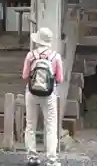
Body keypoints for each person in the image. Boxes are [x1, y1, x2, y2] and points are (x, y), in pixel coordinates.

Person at [22, 27, 64, 166]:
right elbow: (60, 79)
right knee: (50, 126)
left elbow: (25, 76)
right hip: (49, 94)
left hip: (31, 92)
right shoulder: (55, 56)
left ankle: (32, 157)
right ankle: (51, 159)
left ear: (37, 41)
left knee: (30, 125)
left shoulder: (30, 55)